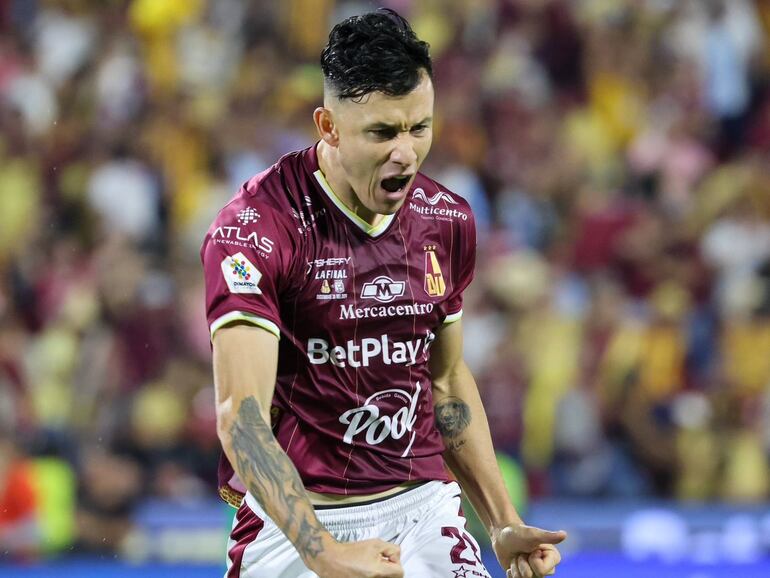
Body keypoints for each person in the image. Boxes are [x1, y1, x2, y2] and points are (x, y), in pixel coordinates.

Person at [201, 9, 566, 578]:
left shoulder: (446, 220)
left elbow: (444, 382)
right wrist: (324, 552)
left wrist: (499, 520)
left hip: (420, 507)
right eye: (383, 133)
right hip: (295, 526)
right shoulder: (256, 228)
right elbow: (239, 417)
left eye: (419, 127)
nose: (407, 153)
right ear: (329, 128)